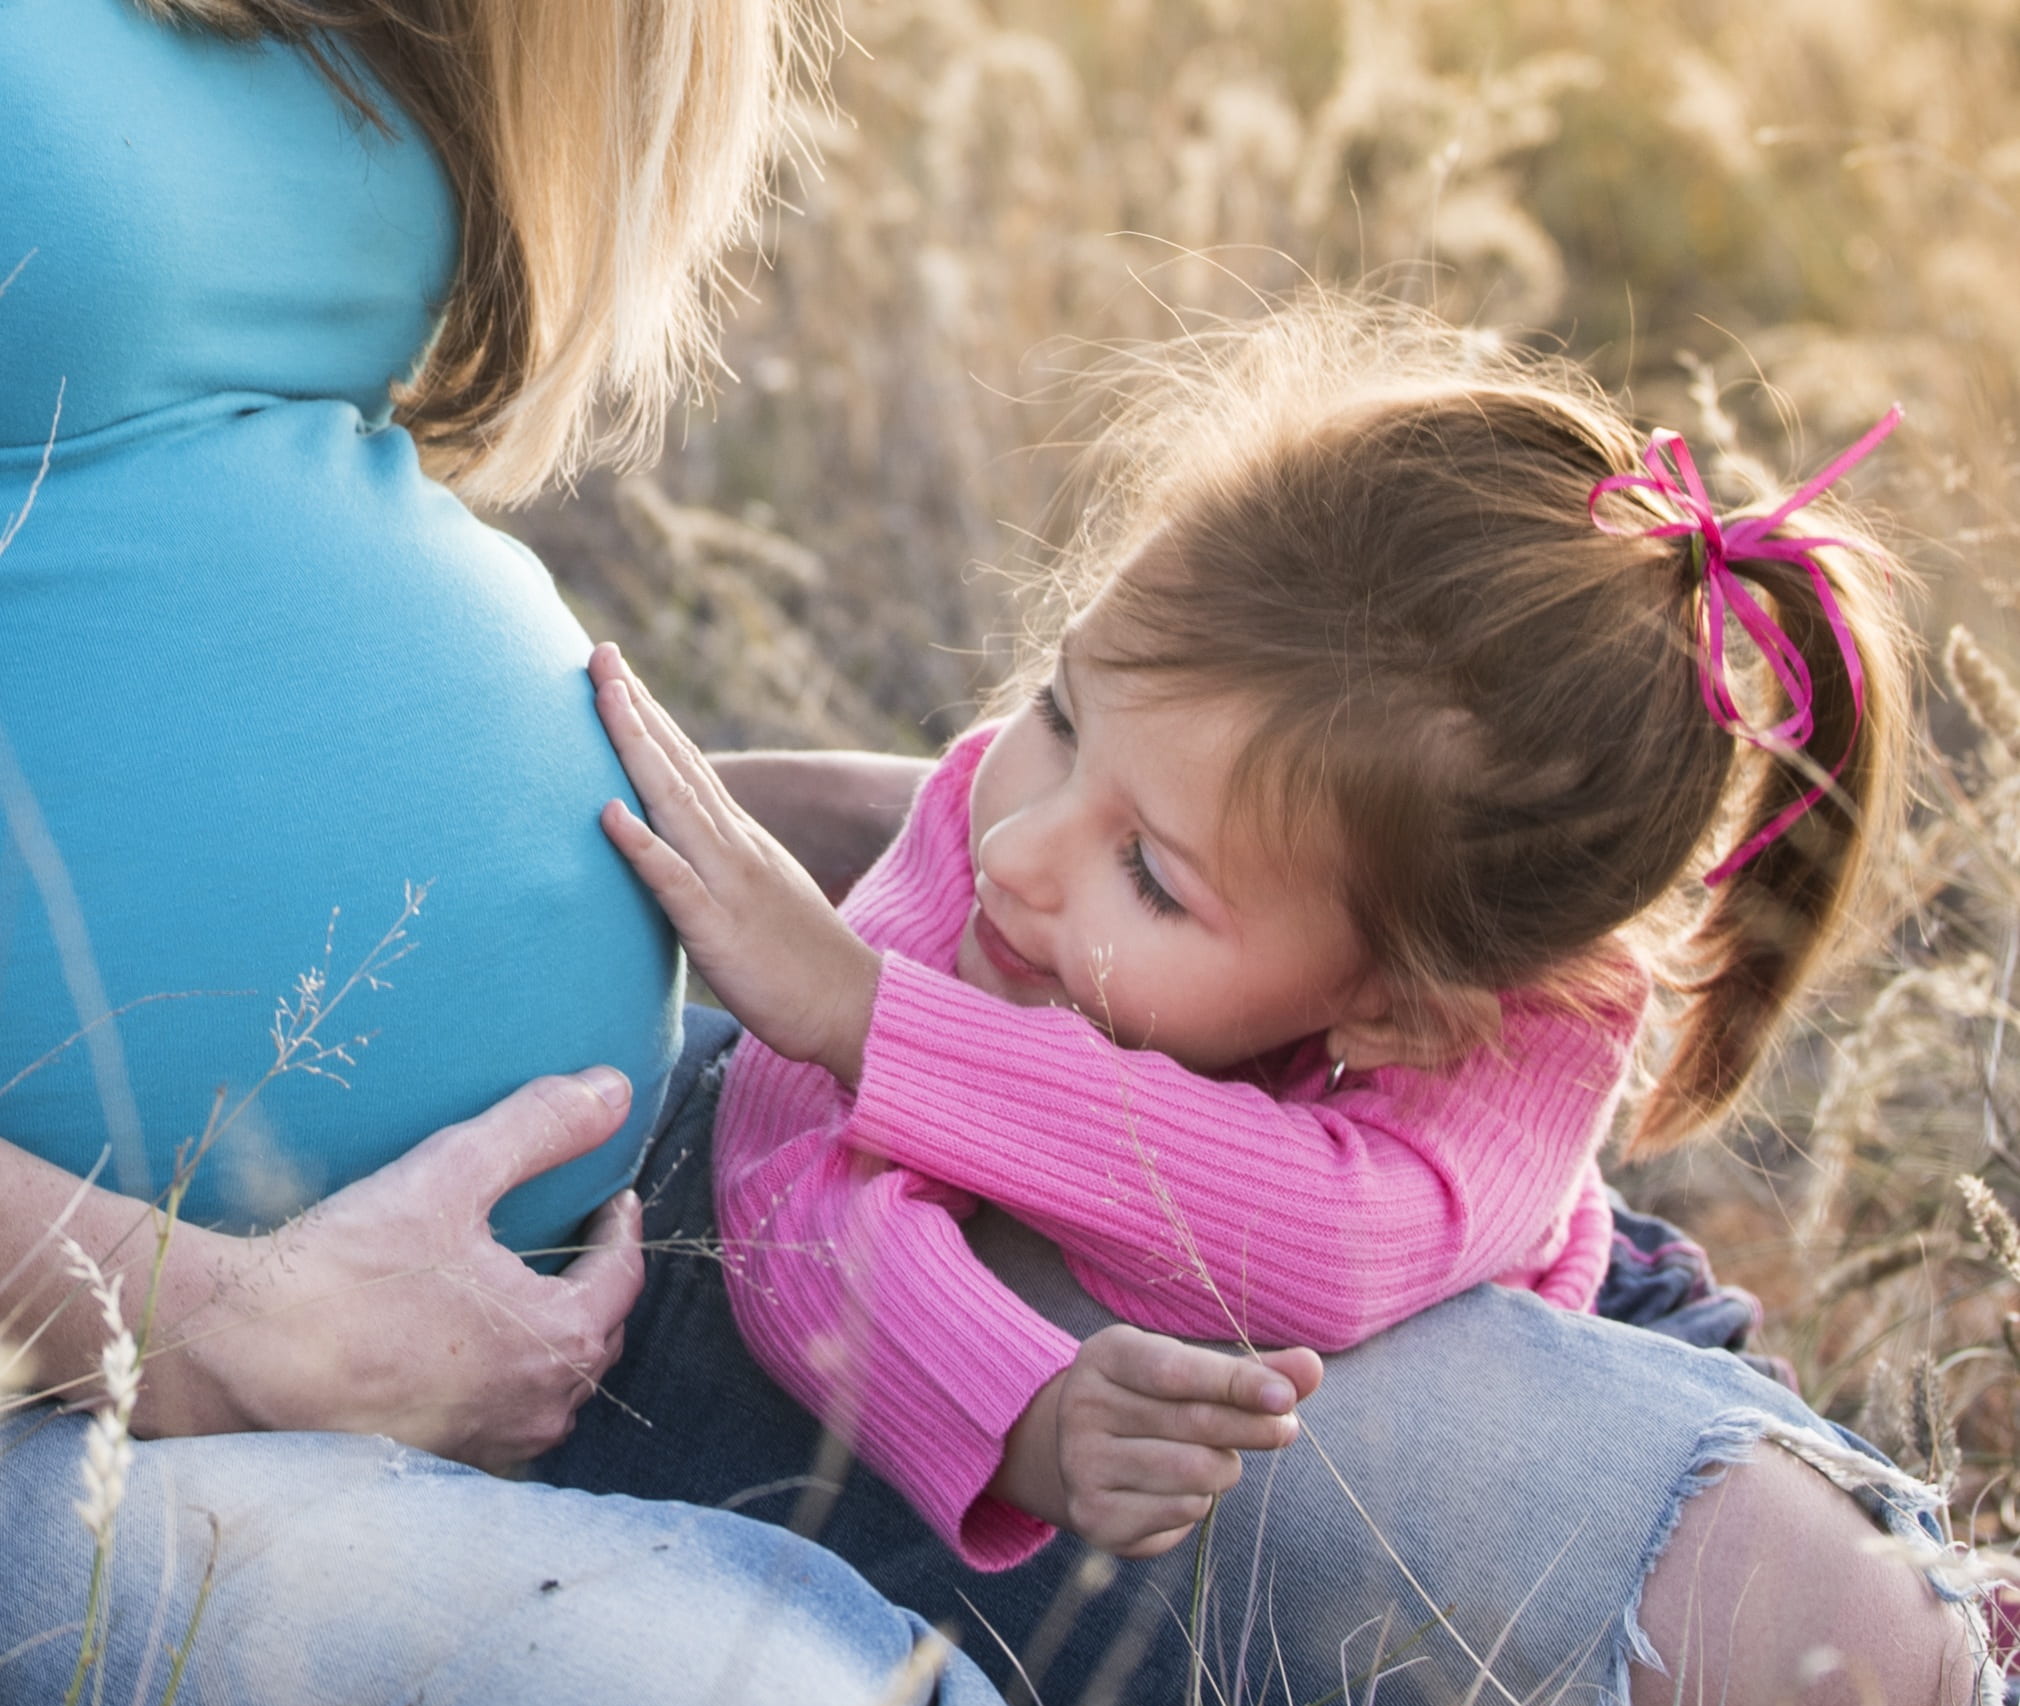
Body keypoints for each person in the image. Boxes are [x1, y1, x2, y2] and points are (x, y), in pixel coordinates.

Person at [0, 3, 1986, 1706]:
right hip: (79, 1379)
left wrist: (773, 898)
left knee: (1800, 1661)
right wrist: (197, 1316)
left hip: (638, 1183)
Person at [585, 308, 1906, 1584]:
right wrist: (1016, 1403)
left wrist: (874, 1022)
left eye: (1151, 876)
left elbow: (1326, 1242)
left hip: (1595, 1331)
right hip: (1288, 1448)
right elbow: (783, 1180)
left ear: (1403, 1012)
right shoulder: (1004, 838)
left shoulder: (1525, 1033)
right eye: (1058, 712)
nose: (1020, 849)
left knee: (1870, 1629)